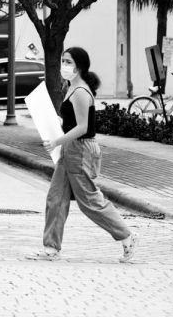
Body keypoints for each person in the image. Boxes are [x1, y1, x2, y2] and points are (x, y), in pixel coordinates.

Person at [27, 47, 136, 262]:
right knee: (55, 199)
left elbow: (84, 127)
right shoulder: (71, 88)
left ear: (79, 66)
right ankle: (51, 248)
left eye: (68, 61)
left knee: (90, 202)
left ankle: (127, 236)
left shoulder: (80, 92)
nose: (64, 65)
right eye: (63, 60)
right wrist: (56, 123)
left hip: (81, 150)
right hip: (71, 150)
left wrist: (56, 141)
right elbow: (72, 122)